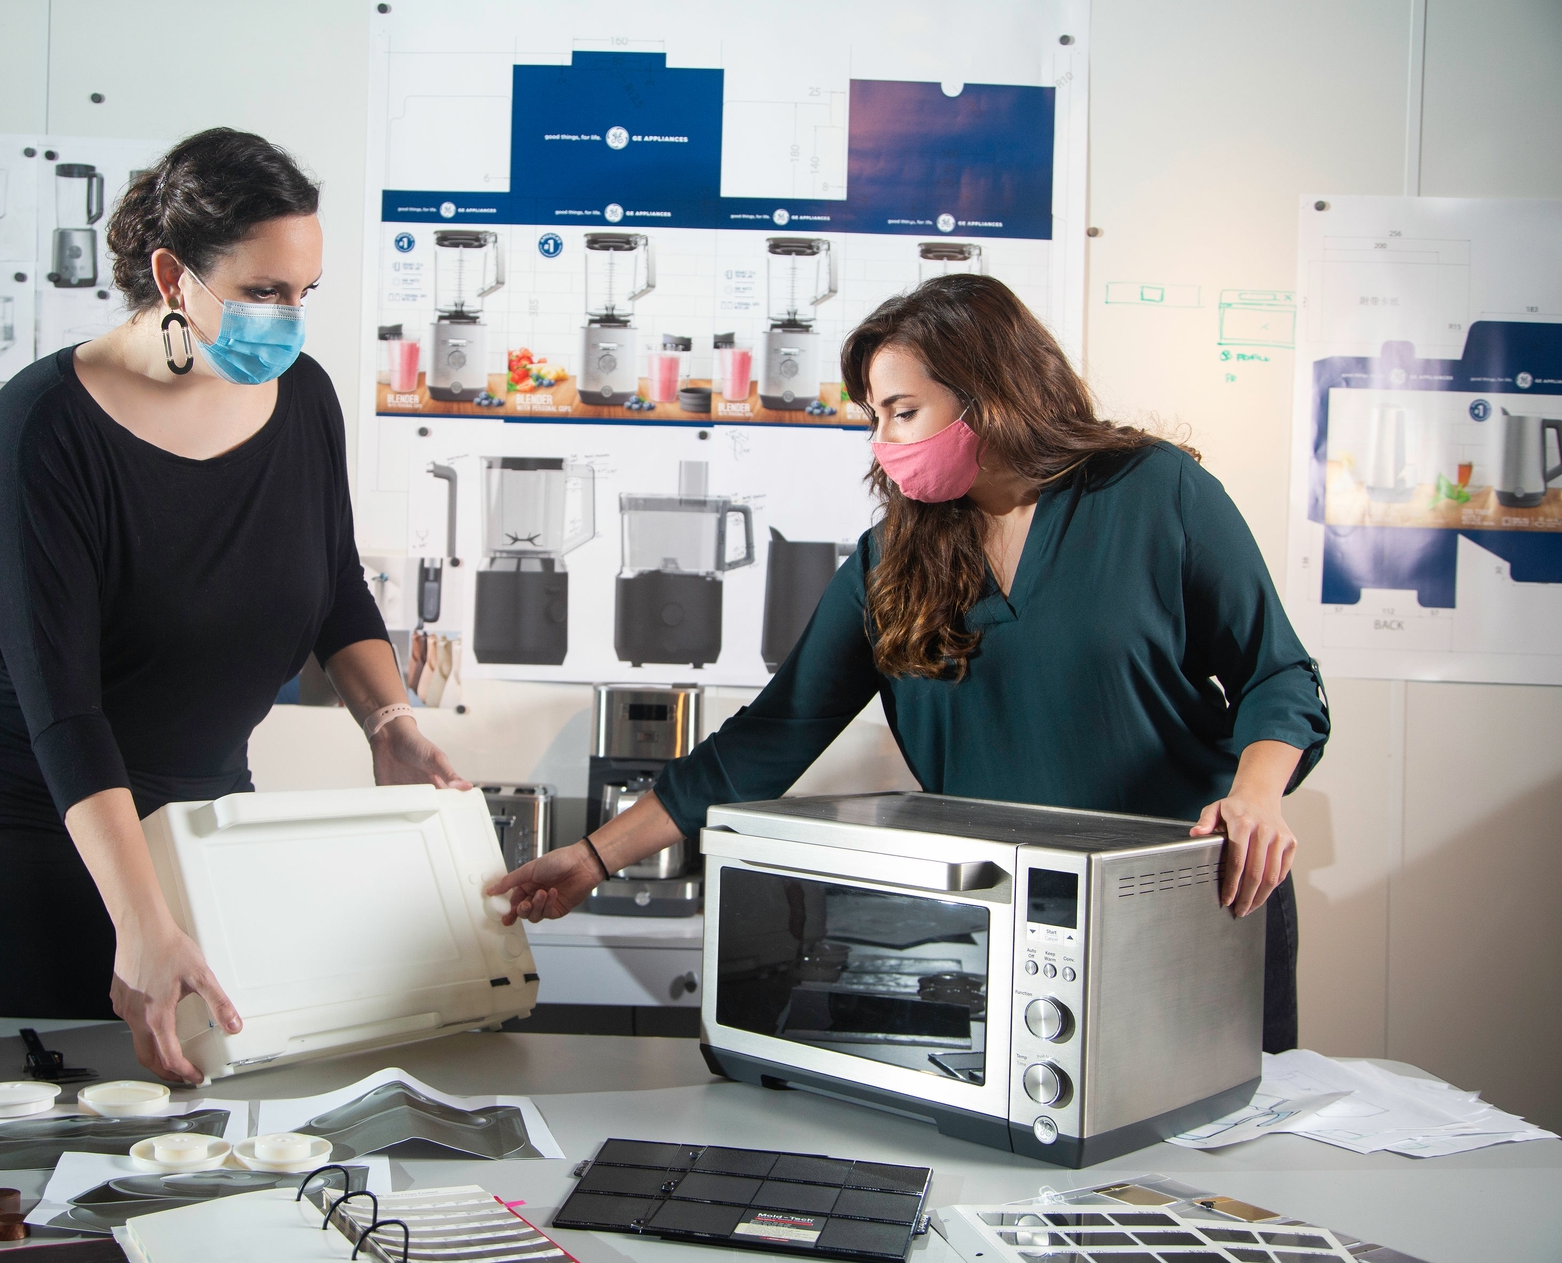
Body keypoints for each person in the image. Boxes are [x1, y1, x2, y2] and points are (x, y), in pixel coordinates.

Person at [491, 275, 1328, 1051]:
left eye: (901, 411)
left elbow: (1278, 674)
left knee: (1223, 1145)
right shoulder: (891, 560)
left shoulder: (1152, 492)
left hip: (1195, 892)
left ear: (989, 393)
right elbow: (770, 737)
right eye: (874, 417)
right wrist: (593, 857)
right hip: (1014, 917)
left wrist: (1256, 797)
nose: (882, 441)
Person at [0, 129, 468, 1083]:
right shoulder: (46, 423)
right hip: (29, 795)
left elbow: (334, 585)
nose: (288, 321)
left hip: (199, 785)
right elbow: (62, 705)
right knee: (63, 1072)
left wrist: (390, 722)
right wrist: (139, 916)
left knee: (206, 1055)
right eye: (263, 292)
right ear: (173, 275)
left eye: (304, 293)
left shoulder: (303, 397)